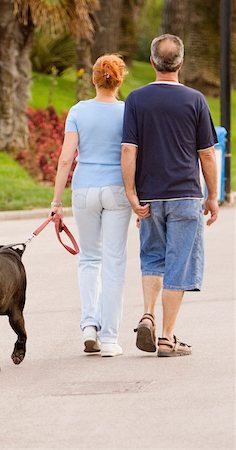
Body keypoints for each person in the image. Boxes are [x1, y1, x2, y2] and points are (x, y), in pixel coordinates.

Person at [121, 34, 219, 357]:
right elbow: (206, 154)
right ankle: (166, 337)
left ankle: (147, 313)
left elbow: (128, 151)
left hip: (150, 196)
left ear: (152, 62)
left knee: (152, 257)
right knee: (178, 264)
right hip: (185, 195)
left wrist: (132, 195)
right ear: (181, 62)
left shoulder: (136, 100)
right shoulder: (195, 100)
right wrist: (213, 196)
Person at [50, 54, 131, 357]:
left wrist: (57, 202)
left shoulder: (78, 111)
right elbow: (131, 153)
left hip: (84, 190)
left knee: (89, 260)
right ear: (119, 79)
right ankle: (109, 338)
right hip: (117, 191)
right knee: (113, 262)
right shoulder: (127, 112)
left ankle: (88, 326)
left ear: (94, 79)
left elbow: (65, 160)